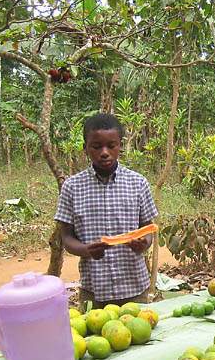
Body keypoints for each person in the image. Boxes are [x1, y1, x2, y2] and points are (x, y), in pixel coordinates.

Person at [54, 113, 158, 309]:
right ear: (85, 147)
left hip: (135, 287)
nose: (104, 152)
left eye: (111, 146)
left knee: (141, 334)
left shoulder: (138, 183)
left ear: (120, 145)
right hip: (94, 290)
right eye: (96, 146)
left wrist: (144, 243)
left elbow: (148, 228)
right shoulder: (72, 187)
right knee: (94, 339)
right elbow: (66, 237)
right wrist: (85, 250)